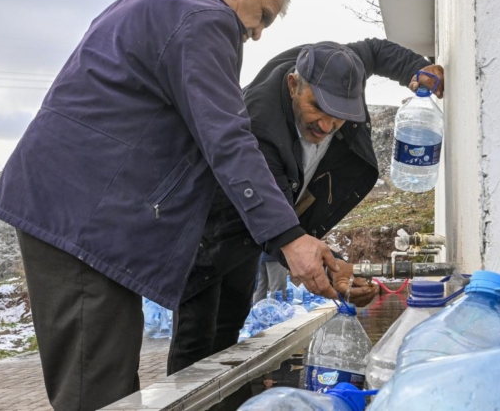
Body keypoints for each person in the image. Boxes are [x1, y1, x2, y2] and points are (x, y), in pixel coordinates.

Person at [0, 0, 347, 410]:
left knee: (107, 377)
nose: (257, 34)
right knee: (97, 390)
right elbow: (227, 138)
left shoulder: (156, 1)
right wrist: (289, 237)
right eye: (264, 16)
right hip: (82, 220)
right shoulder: (205, 19)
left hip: (76, 211)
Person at [167, 39, 445, 375]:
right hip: (210, 227)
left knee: (228, 332)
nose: (327, 126)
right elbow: (278, 219)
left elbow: (373, 52)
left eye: (340, 116)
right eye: (317, 108)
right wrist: (331, 269)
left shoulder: (339, 67)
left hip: (251, 237)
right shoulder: (258, 128)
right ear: (293, 84)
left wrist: (414, 68)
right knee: (197, 340)